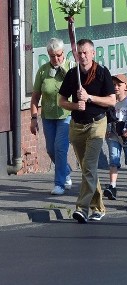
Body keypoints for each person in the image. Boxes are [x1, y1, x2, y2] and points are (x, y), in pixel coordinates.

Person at [58, 39, 117, 223]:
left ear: (93, 53)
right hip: (77, 125)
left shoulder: (101, 73)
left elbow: (111, 101)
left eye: (86, 53)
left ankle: (82, 208)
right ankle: (98, 207)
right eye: (79, 53)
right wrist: (75, 104)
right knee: (87, 169)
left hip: (96, 125)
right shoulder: (72, 74)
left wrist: (89, 97)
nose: (82, 56)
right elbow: (61, 100)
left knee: (89, 167)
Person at [30, 38, 73, 195]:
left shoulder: (71, 67)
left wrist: (64, 70)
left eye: (58, 55)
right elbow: (35, 97)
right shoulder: (43, 70)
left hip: (66, 115)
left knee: (60, 148)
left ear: (64, 52)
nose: (56, 59)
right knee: (50, 149)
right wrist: (33, 118)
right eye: (52, 56)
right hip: (48, 116)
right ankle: (66, 170)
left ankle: (59, 184)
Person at [103, 74, 127, 201]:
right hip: (113, 134)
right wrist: (105, 129)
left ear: (126, 86)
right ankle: (112, 187)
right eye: (114, 85)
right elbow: (104, 117)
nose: (116, 87)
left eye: (119, 85)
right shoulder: (109, 101)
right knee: (114, 160)